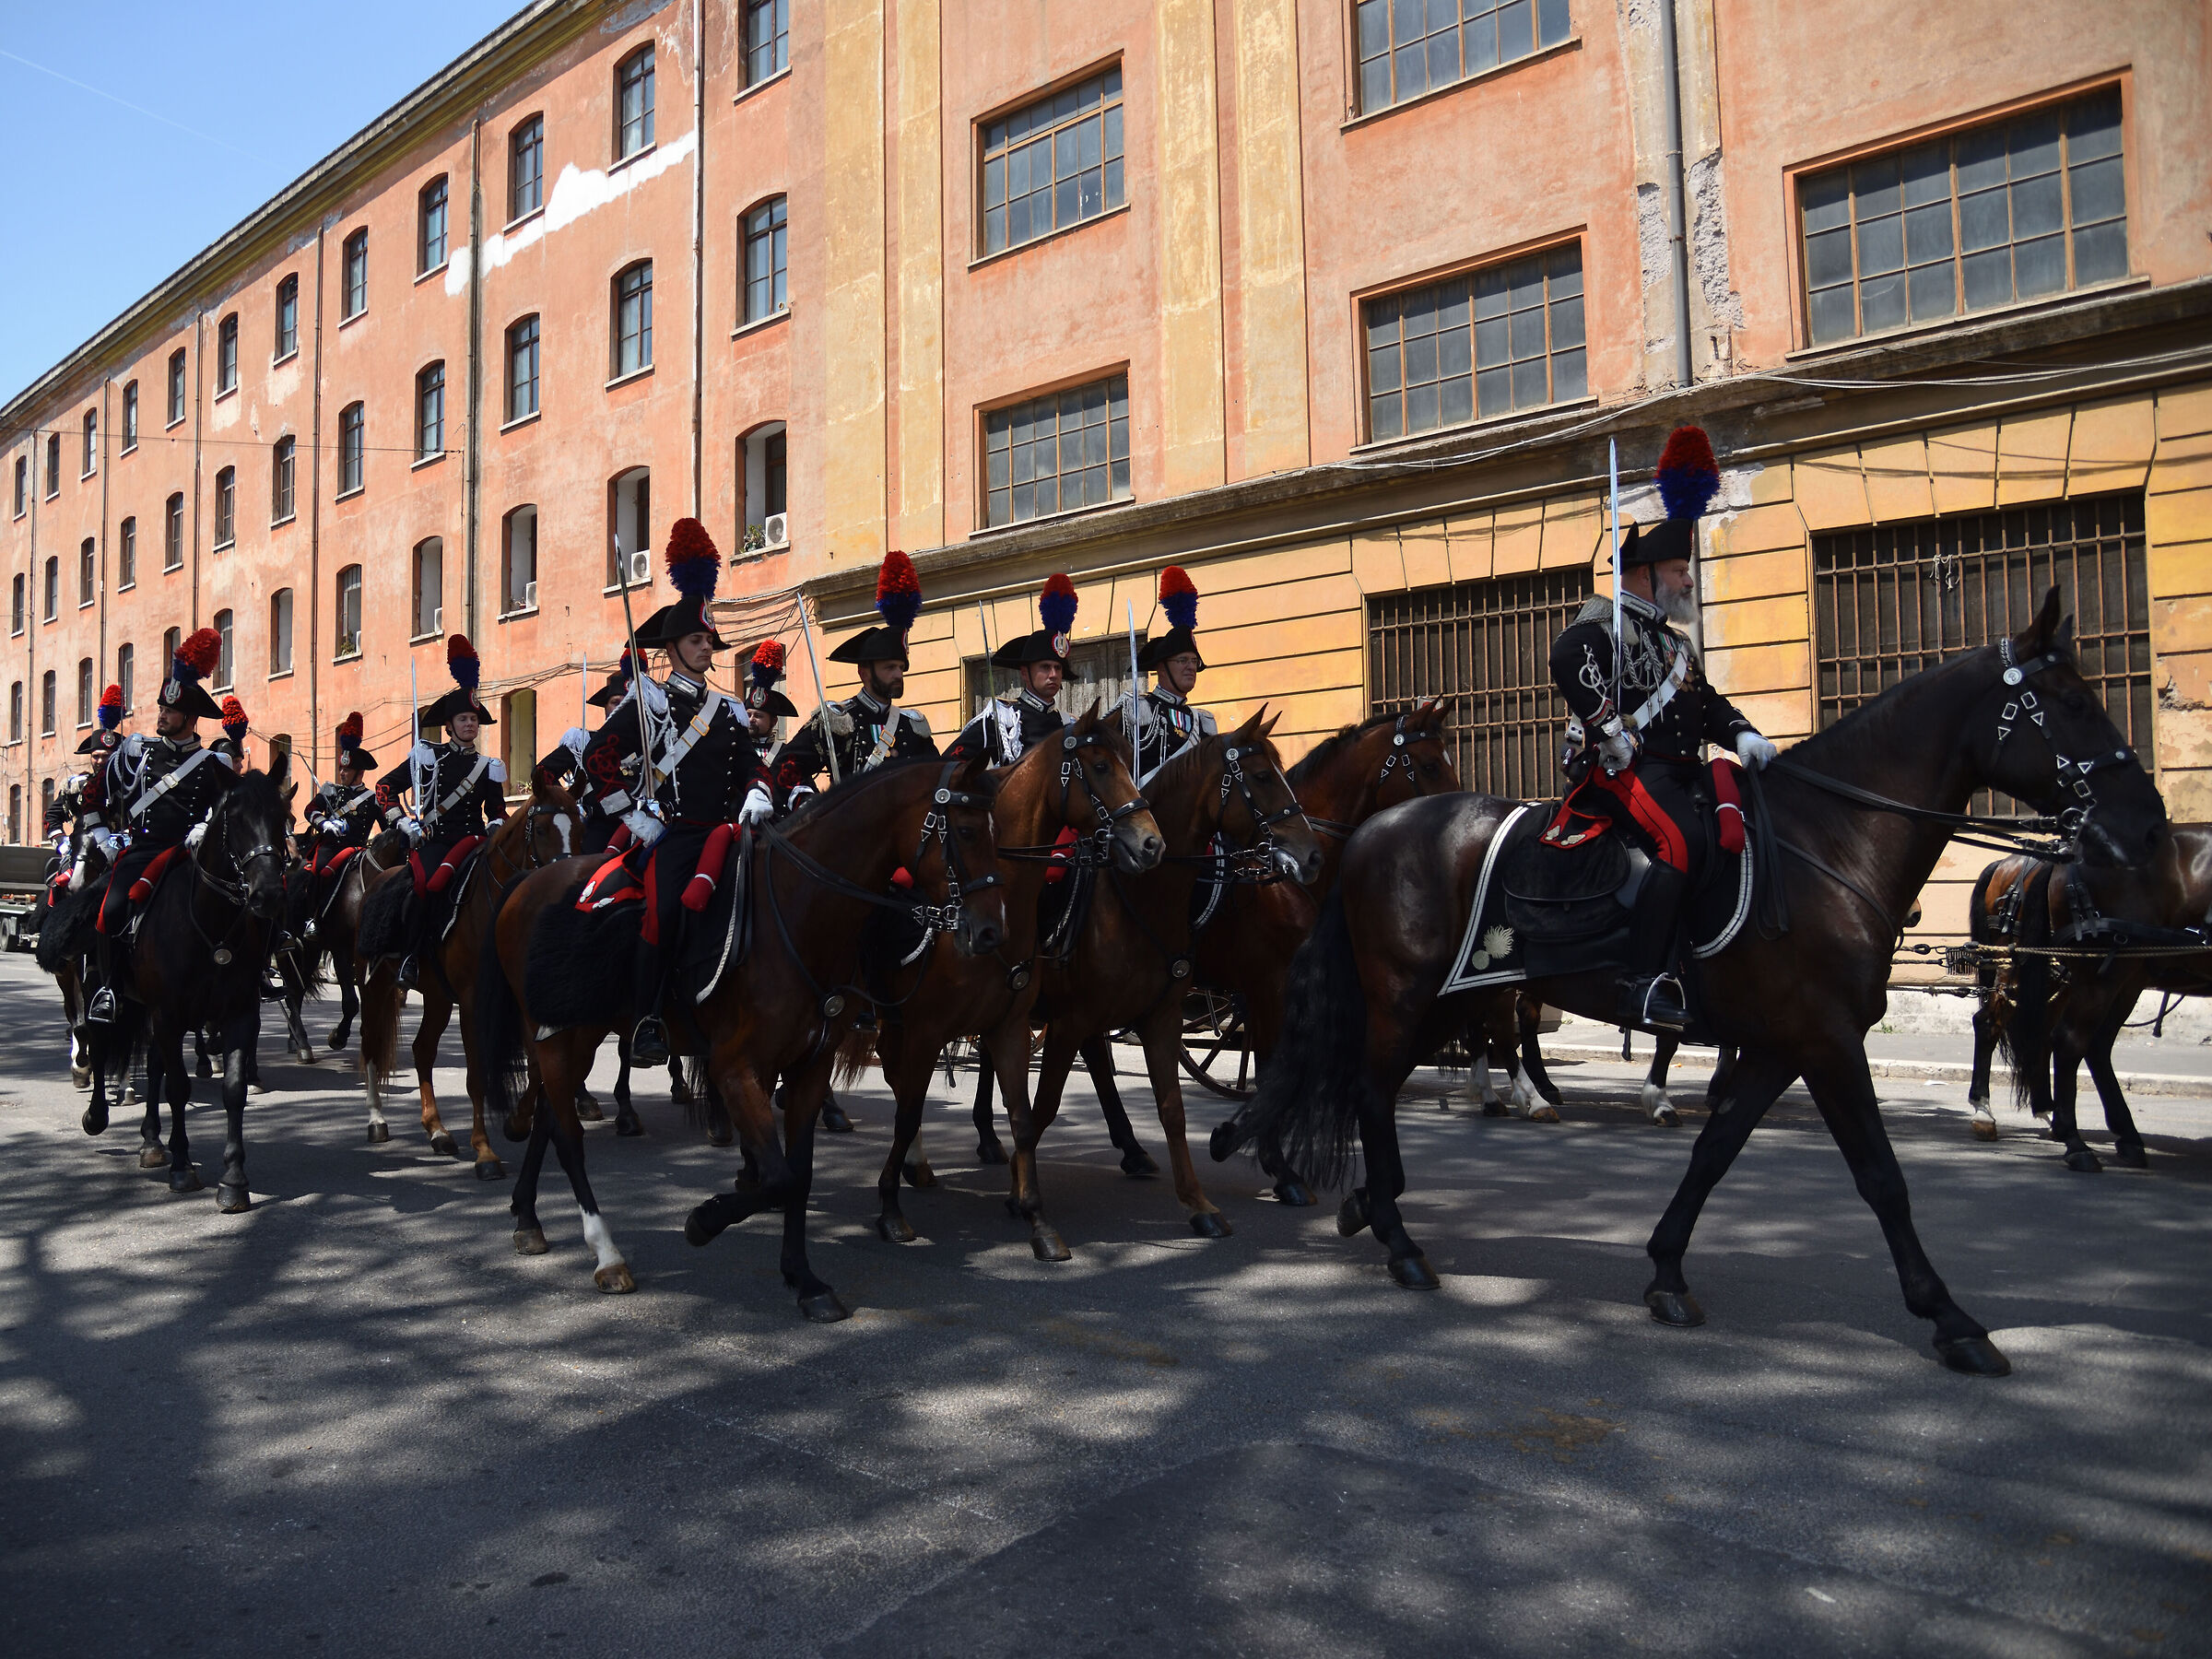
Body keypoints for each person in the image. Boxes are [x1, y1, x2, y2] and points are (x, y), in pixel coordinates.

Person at [1545, 425, 1778, 1031]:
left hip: (1680, 775)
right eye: (1680, 570)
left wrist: (1743, 733)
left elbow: (1708, 703)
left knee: (1739, 828)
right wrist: (1608, 729)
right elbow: (1566, 658)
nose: (1689, 581)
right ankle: (1641, 983)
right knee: (1680, 843)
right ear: (1646, 574)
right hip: (1623, 772)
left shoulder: (1676, 645)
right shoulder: (1606, 623)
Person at [578, 518, 759, 1065]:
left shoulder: (729, 709)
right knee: (661, 914)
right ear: (673, 648)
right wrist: (634, 818)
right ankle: (648, 1017)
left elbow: (750, 765)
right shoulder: (650, 702)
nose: (706, 648)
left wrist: (759, 790)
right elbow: (598, 759)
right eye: (696, 640)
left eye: (708, 640)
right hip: (673, 835)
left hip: (727, 832)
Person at [81, 629, 233, 1024]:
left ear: (190, 718)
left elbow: (229, 811)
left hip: (191, 856)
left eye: (169, 710)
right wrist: (104, 838)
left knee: (242, 905)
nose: (161, 715)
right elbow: (93, 798)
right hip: (144, 851)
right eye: (161, 708)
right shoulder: (136, 753)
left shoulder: (213, 764)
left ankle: (249, 979)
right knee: (110, 910)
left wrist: (206, 827)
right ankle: (109, 988)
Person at [375, 635, 509, 988]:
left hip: (475, 841)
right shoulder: (427, 756)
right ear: (449, 725)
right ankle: (410, 956)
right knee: (425, 885)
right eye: (463, 719)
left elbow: (497, 810)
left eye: (473, 719)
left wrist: (497, 823)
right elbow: (384, 788)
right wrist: (402, 822)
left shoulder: (489, 766)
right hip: (437, 842)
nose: (470, 724)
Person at [765, 550, 936, 814]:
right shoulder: (838, 720)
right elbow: (786, 768)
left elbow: (938, 777)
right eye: (889, 667)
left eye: (901, 668)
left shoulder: (912, 727)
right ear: (864, 673)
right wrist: (812, 805)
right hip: (852, 832)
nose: (898, 675)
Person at [946, 572, 1079, 766]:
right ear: (1025, 673)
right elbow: (949, 763)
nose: (1053, 675)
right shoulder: (1004, 719)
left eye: (1058, 668)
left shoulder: (1069, 724)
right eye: (1045, 667)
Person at [1109, 564, 1218, 782]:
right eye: (1183, 660)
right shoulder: (1136, 709)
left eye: (1194, 661)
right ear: (1161, 667)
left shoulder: (1204, 722)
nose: (1191, 667)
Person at [303, 712, 380, 882]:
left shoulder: (372, 799)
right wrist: (325, 824)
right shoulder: (331, 791)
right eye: (341, 769)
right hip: (331, 849)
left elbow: (387, 829)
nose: (342, 773)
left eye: (347, 770)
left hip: (359, 851)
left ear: (360, 772)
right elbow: (310, 810)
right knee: (319, 869)